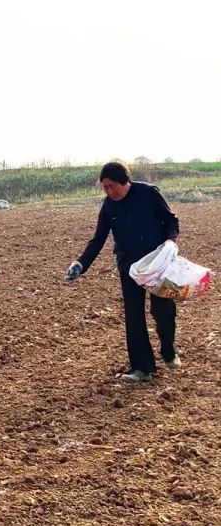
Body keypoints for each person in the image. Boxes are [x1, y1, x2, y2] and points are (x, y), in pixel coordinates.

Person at [64, 160, 180, 383]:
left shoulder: (148, 194)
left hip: (157, 261)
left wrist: (170, 242)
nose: (108, 191)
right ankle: (142, 368)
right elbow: (98, 239)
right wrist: (80, 264)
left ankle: (168, 349)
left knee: (162, 309)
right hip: (129, 265)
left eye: (111, 186)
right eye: (104, 187)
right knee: (133, 314)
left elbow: (172, 220)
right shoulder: (108, 206)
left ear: (124, 182)